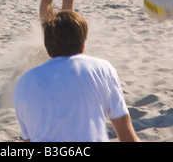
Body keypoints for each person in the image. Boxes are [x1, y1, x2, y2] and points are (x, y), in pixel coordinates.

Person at [13, 10, 140, 142]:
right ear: (83, 43)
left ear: (47, 45)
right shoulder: (102, 69)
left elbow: (28, 139)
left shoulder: (24, 81)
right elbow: (127, 136)